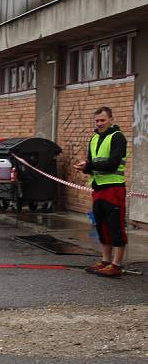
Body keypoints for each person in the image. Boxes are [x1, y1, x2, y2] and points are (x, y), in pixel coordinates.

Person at [74, 106, 127, 278]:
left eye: (103, 120)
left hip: (114, 188)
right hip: (97, 189)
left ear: (111, 119)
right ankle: (105, 261)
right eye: (97, 121)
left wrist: (89, 166)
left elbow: (112, 164)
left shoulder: (117, 137)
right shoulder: (94, 139)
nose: (99, 123)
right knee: (102, 227)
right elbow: (92, 164)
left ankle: (116, 265)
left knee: (115, 227)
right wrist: (84, 168)